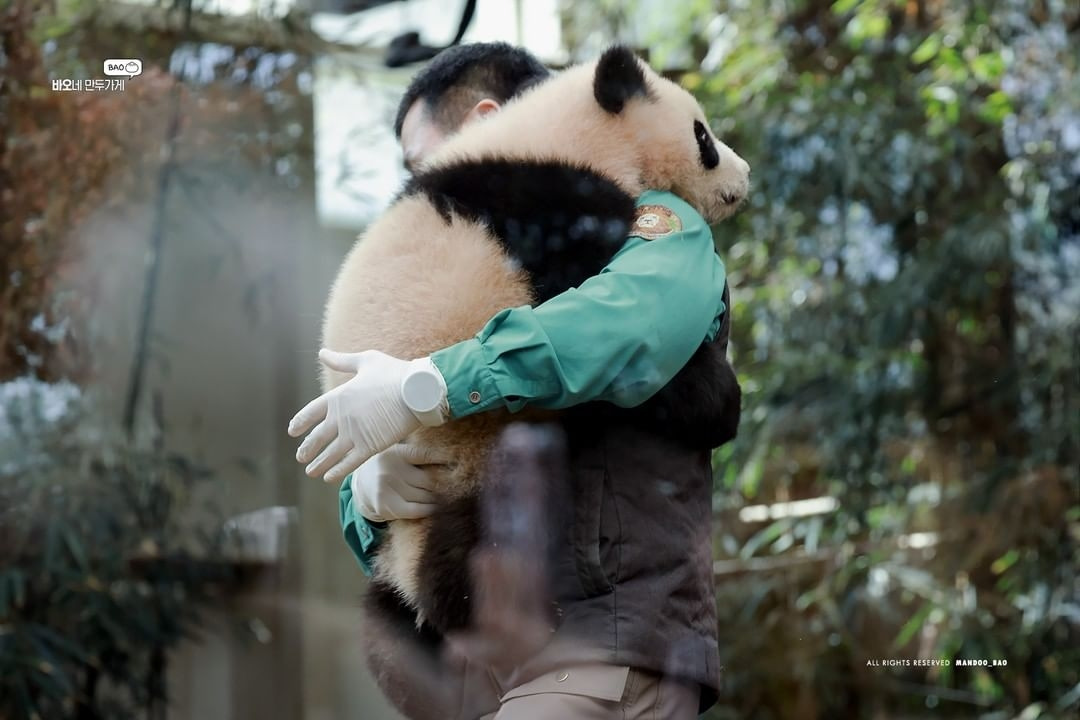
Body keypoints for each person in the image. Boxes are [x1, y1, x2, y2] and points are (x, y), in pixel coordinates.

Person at [288, 42, 739, 719]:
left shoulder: (653, 225)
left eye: (418, 164)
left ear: (484, 121)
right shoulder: (492, 251)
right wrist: (368, 499)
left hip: (596, 647)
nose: (410, 189)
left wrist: (428, 385)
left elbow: (623, 333)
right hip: (484, 665)